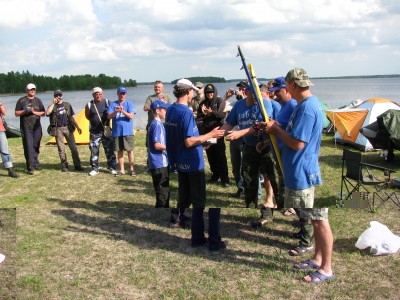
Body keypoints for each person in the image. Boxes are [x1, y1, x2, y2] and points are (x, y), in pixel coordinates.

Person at [262, 68, 334, 283]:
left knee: (319, 220)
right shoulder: (304, 105)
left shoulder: (306, 109)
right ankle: (317, 258)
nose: (283, 90)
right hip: (298, 172)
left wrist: (275, 129)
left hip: (302, 173)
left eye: (286, 85)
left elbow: (297, 143)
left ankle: (326, 269)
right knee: (313, 219)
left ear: (292, 85)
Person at [165, 78, 226, 251]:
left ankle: (180, 221)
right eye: (192, 90)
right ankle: (197, 237)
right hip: (192, 162)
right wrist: (210, 134)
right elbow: (189, 141)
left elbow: (177, 136)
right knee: (199, 201)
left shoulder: (170, 110)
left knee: (185, 196)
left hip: (180, 161)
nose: (193, 93)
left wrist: (203, 141)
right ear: (187, 92)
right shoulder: (185, 112)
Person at [220, 83, 278, 210]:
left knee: (270, 176)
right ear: (247, 92)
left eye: (258, 92)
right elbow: (228, 125)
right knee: (248, 177)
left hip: (265, 145)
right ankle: (251, 205)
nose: (257, 95)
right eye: (253, 92)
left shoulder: (265, 104)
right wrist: (213, 136)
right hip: (249, 146)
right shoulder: (239, 105)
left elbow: (261, 125)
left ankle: (274, 201)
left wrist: (239, 133)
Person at [196, 83, 229, 186]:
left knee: (221, 156)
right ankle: (215, 175)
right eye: (207, 92)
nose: (209, 94)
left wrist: (211, 112)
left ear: (214, 92)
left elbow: (222, 116)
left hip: (218, 133)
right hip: (208, 134)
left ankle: (225, 179)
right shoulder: (203, 103)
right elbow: (199, 119)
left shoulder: (219, 101)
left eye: (211, 92)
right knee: (211, 156)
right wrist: (203, 114)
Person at [46, 89, 84, 172]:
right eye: (56, 95)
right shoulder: (52, 106)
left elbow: (71, 118)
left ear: (62, 96)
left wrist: (77, 127)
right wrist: (53, 103)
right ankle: (64, 165)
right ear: (54, 96)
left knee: (73, 148)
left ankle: (77, 165)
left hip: (68, 128)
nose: (58, 97)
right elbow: (47, 113)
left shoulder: (67, 105)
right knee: (61, 148)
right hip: (58, 129)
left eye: (59, 95)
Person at [85, 87, 117, 176]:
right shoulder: (89, 105)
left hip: (106, 130)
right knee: (94, 150)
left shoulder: (107, 102)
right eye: (96, 94)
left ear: (102, 94)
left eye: (99, 94)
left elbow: (112, 113)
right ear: (93, 95)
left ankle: (112, 168)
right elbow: (87, 116)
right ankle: (95, 168)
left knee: (109, 150)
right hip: (94, 131)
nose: (98, 95)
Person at [15, 83, 45, 175]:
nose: (32, 91)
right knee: (28, 146)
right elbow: (16, 113)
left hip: (37, 127)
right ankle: (30, 166)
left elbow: (43, 113)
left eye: (34, 89)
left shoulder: (38, 101)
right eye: (30, 89)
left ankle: (35, 163)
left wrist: (33, 112)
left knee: (36, 145)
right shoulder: (21, 100)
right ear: (27, 90)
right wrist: (25, 111)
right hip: (26, 128)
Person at [107, 87, 137, 176]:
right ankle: (122, 170)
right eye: (120, 93)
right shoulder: (113, 104)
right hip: (117, 132)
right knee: (119, 151)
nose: (122, 95)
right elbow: (109, 116)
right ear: (117, 94)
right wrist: (116, 111)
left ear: (126, 94)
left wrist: (122, 111)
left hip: (128, 132)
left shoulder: (129, 104)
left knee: (130, 150)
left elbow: (131, 116)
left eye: (124, 93)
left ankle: (132, 169)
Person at [148, 99, 170, 208]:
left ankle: (161, 208)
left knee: (162, 190)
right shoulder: (156, 125)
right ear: (157, 110)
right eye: (164, 109)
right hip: (159, 163)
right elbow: (157, 145)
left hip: (160, 162)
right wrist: (171, 148)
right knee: (162, 191)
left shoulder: (158, 123)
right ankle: (162, 213)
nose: (166, 111)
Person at [0, 100, 19, 178]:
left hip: (0, 130)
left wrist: (0, 103)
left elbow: (4, 113)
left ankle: (10, 169)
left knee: (5, 150)